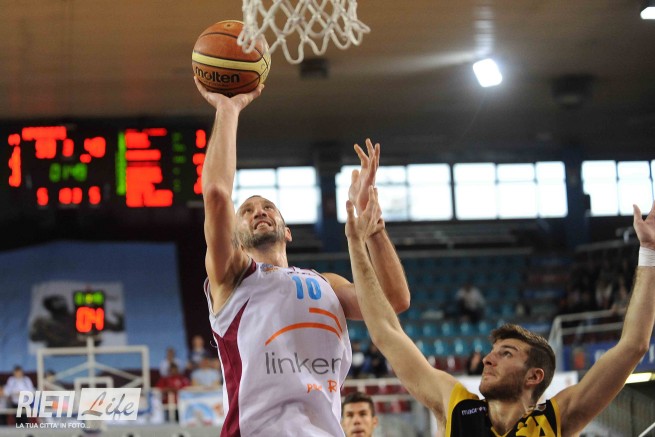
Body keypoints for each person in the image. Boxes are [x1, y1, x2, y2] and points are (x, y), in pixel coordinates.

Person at [194, 79, 410, 436]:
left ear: (288, 231)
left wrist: (373, 225)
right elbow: (216, 194)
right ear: (236, 238)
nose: (259, 211)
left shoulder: (327, 284)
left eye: (268, 207)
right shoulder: (232, 278)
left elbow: (395, 300)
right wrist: (228, 109)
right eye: (247, 210)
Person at [345, 190, 655, 436]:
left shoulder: (555, 421)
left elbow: (633, 345)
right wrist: (358, 241)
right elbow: (386, 332)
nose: (487, 360)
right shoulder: (457, 409)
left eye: (506, 354)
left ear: (534, 376)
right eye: (493, 353)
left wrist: (649, 252)